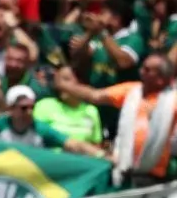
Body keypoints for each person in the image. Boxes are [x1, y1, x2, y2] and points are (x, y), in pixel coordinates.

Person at [54, 55, 176, 186]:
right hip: (123, 170)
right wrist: (63, 85)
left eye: (147, 70)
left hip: (156, 176)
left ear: (160, 79)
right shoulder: (131, 91)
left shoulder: (173, 99)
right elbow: (95, 95)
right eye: (142, 67)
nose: (141, 71)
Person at [0, 85, 103, 156]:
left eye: (32, 107)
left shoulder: (39, 129)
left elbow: (72, 144)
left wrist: (101, 154)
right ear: (11, 109)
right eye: (23, 108)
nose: (29, 112)